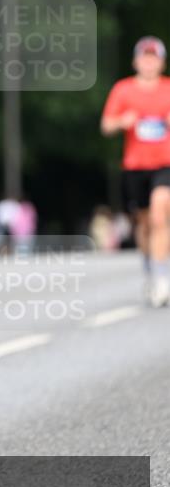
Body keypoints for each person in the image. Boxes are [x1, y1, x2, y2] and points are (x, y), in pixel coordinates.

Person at [100, 36, 170, 307]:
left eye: (154, 58)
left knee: (159, 213)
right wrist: (122, 121)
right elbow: (106, 126)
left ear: (161, 63)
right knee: (143, 224)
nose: (149, 63)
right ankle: (151, 269)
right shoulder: (123, 90)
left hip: (165, 164)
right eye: (145, 57)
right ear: (136, 61)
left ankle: (163, 278)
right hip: (135, 166)